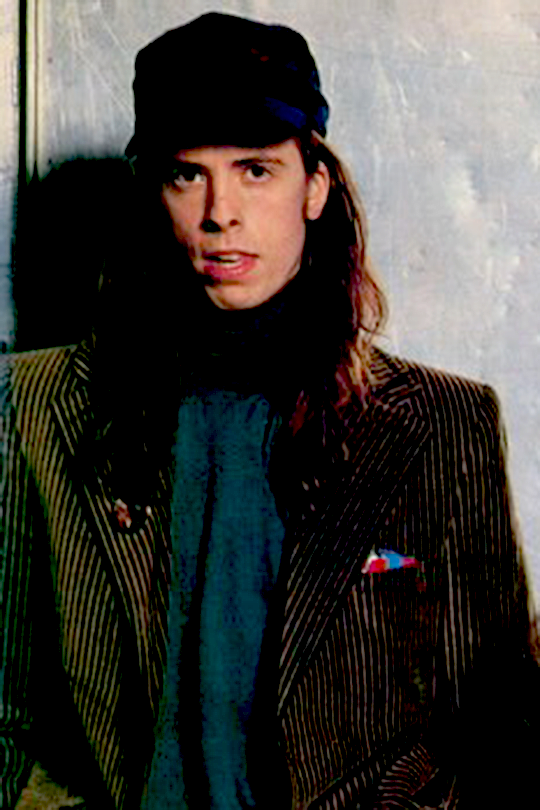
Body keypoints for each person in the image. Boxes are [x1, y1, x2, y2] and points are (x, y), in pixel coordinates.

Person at [1, 11, 538, 810]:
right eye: (187, 174)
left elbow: (503, 728)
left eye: (256, 170)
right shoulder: (36, 407)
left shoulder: (439, 423)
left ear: (314, 187)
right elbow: (6, 719)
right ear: (153, 193)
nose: (221, 212)